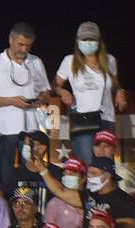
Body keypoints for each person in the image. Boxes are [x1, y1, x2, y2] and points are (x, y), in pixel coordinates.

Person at [0, 23, 52, 196]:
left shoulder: (36, 62)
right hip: (6, 131)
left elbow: (46, 92)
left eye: (28, 45)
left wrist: (40, 99)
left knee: (30, 173)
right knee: (6, 177)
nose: (24, 48)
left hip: (32, 130)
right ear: (11, 40)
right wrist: (12, 101)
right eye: (20, 44)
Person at [52, 22, 126, 165]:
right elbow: (54, 84)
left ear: (99, 41)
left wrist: (119, 92)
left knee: (105, 164)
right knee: (86, 163)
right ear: (78, 42)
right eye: (84, 40)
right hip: (83, 119)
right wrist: (62, 91)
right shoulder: (69, 61)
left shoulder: (110, 60)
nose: (88, 43)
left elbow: (115, 85)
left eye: (91, 40)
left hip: (106, 118)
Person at [39, 156, 135, 228]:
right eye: (89, 173)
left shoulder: (123, 199)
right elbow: (61, 191)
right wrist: (42, 169)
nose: (89, 177)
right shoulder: (90, 195)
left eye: (93, 173)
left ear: (107, 175)